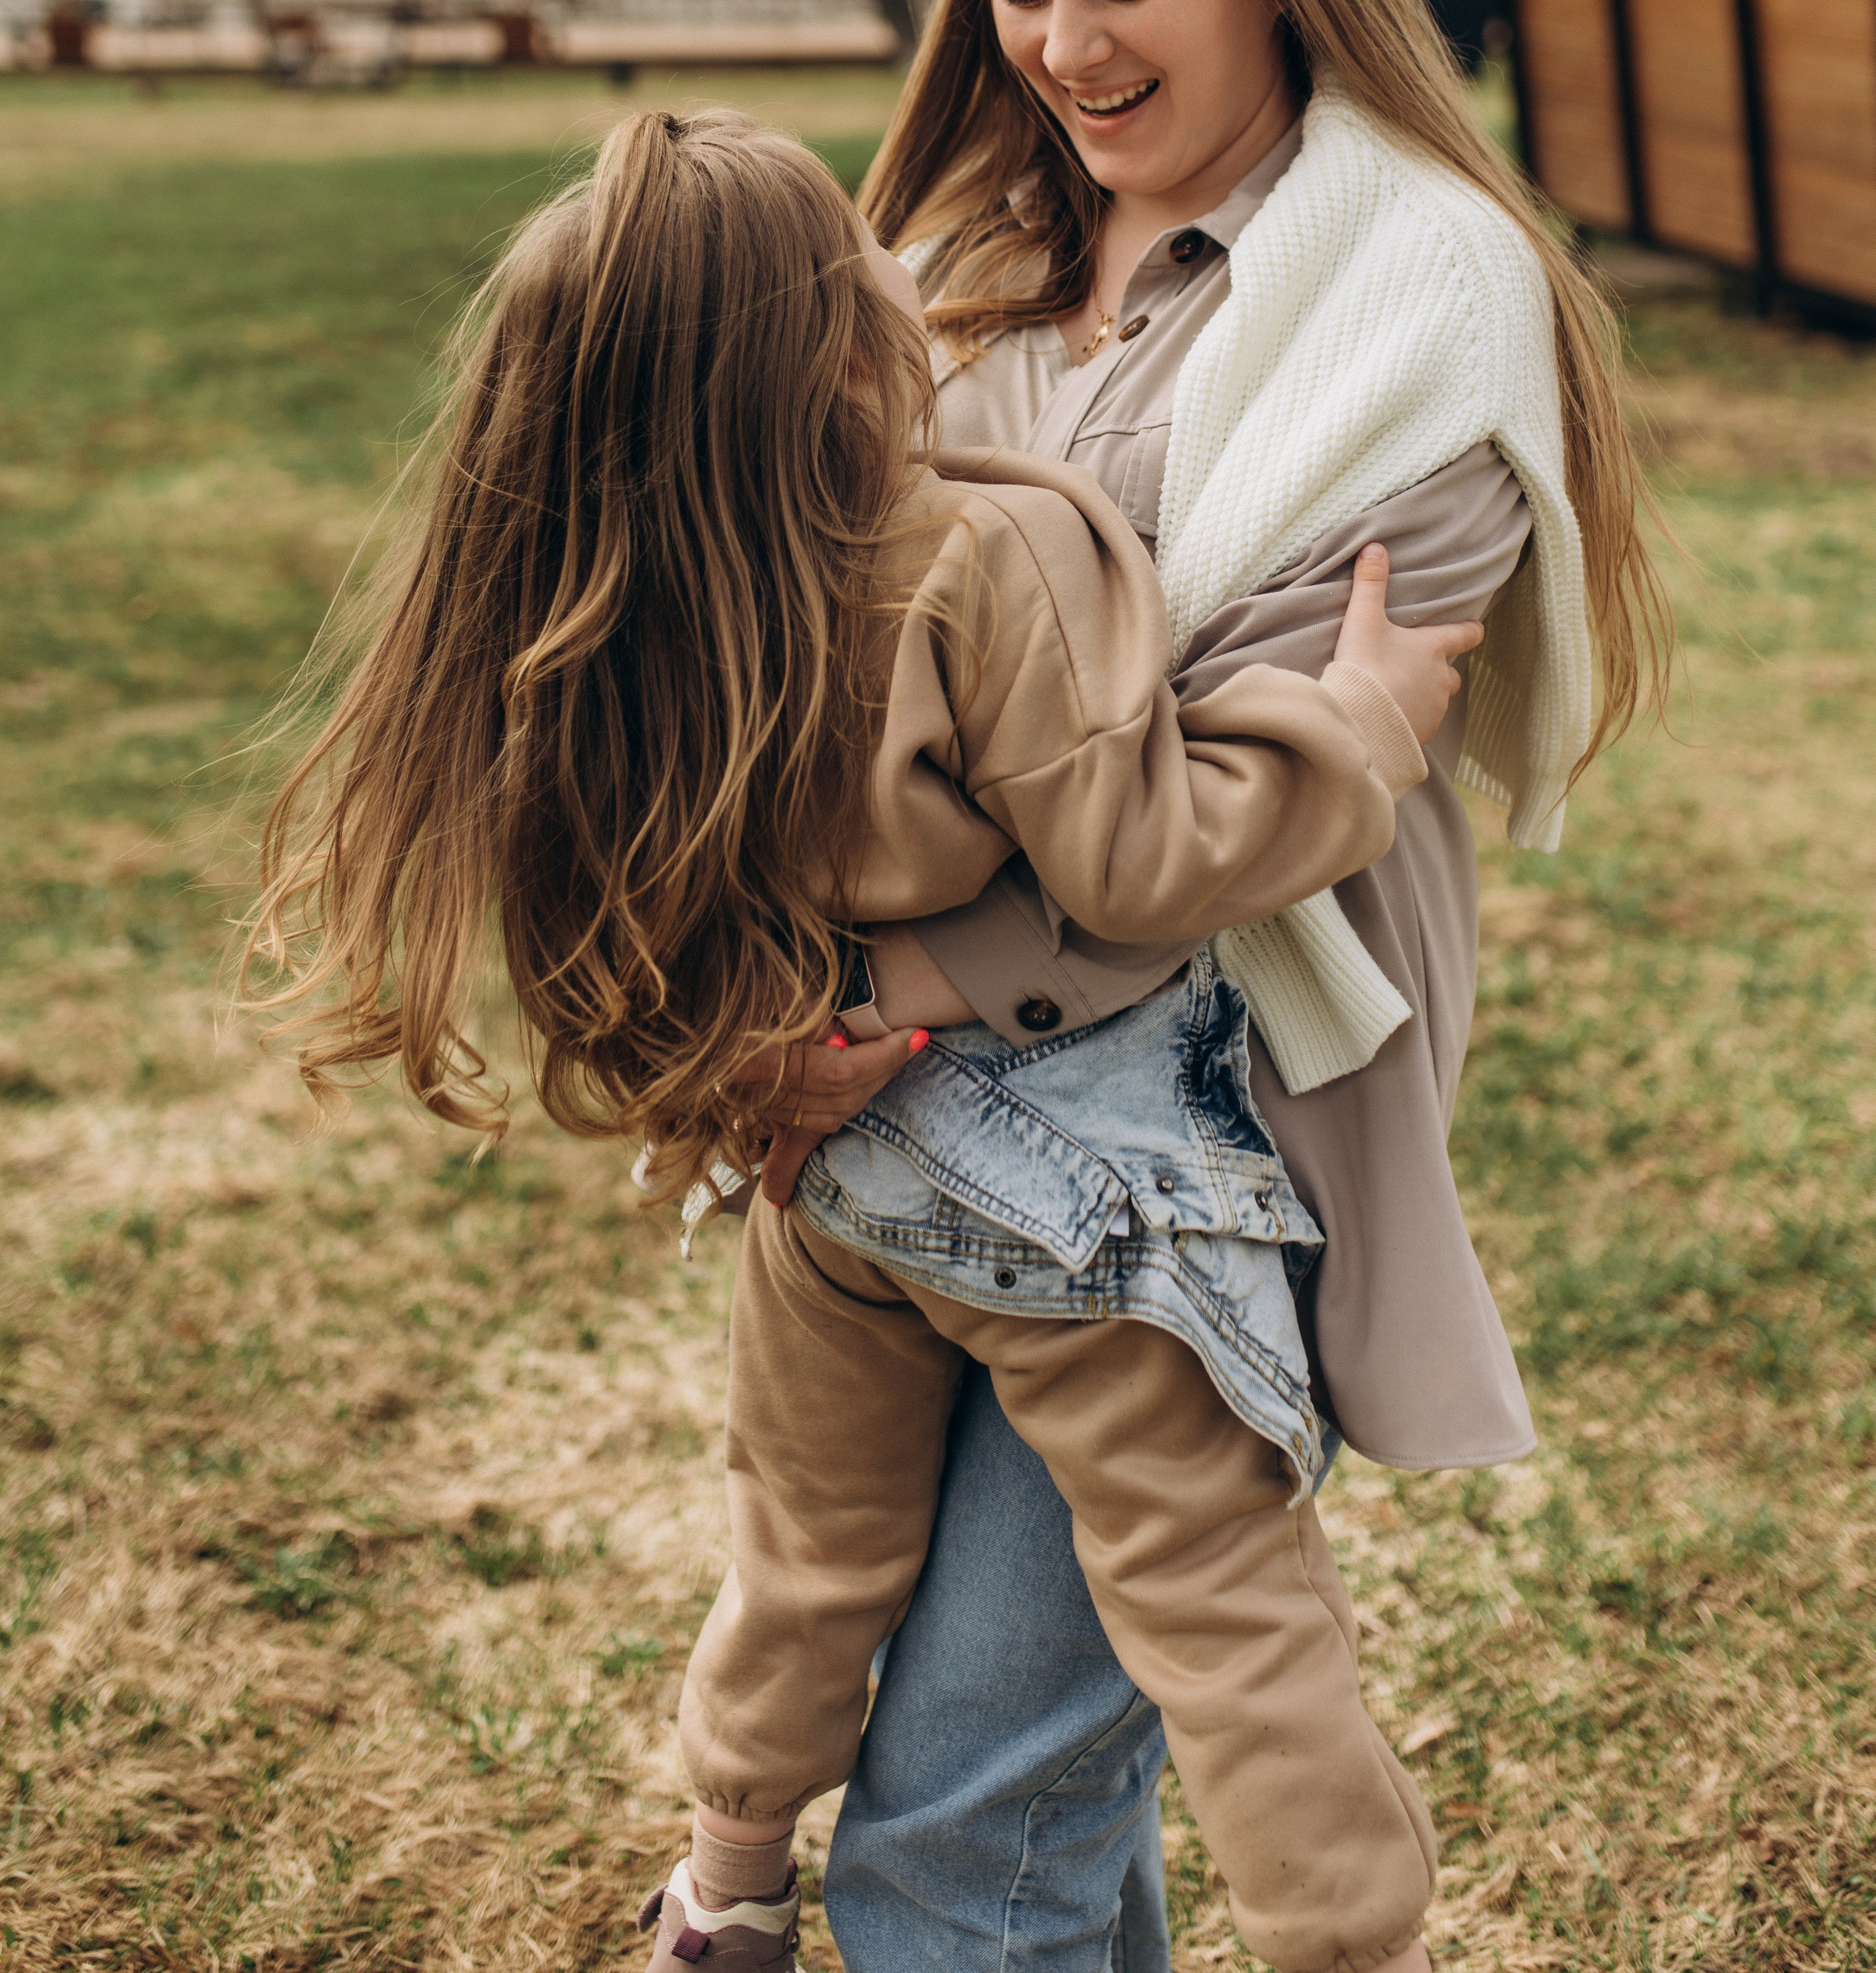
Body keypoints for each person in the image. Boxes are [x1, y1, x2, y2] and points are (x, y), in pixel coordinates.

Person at [240, 108, 1482, 1973]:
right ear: (829, 342)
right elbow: (1144, 864)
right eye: (861, 249)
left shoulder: (650, 605)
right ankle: (1348, 1940)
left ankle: (728, 1878)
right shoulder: (972, 550)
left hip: (827, 1186)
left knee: (807, 1554)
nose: (906, 258)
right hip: (1071, 1178)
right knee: (1214, 1596)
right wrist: (1359, 729)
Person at [777, 0, 1668, 1973]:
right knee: (1007, 1787)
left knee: (961, 1831)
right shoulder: (955, 273)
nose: (1066, 43)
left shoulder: (1421, 320)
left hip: (1207, 1151)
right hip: (927, 1139)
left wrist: (871, 984)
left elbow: (1179, 849)